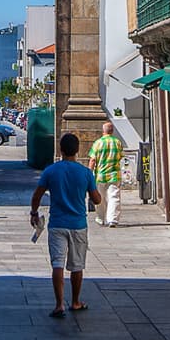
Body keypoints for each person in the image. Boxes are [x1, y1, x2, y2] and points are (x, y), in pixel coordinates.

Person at [30, 132, 102, 318]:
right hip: (78, 224)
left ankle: (59, 304)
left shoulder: (51, 171)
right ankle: (76, 301)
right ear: (78, 150)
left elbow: (37, 195)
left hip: (57, 224)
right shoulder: (85, 173)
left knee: (57, 265)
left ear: (60, 150)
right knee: (77, 266)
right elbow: (96, 199)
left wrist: (34, 213)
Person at [88, 120, 124, 227]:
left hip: (101, 175)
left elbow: (93, 159)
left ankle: (100, 218)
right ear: (112, 131)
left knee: (100, 198)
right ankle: (112, 220)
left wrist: (90, 172)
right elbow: (120, 156)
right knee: (114, 197)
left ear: (103, 131)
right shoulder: (117, 142)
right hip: (114, 175)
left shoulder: (98, 143)